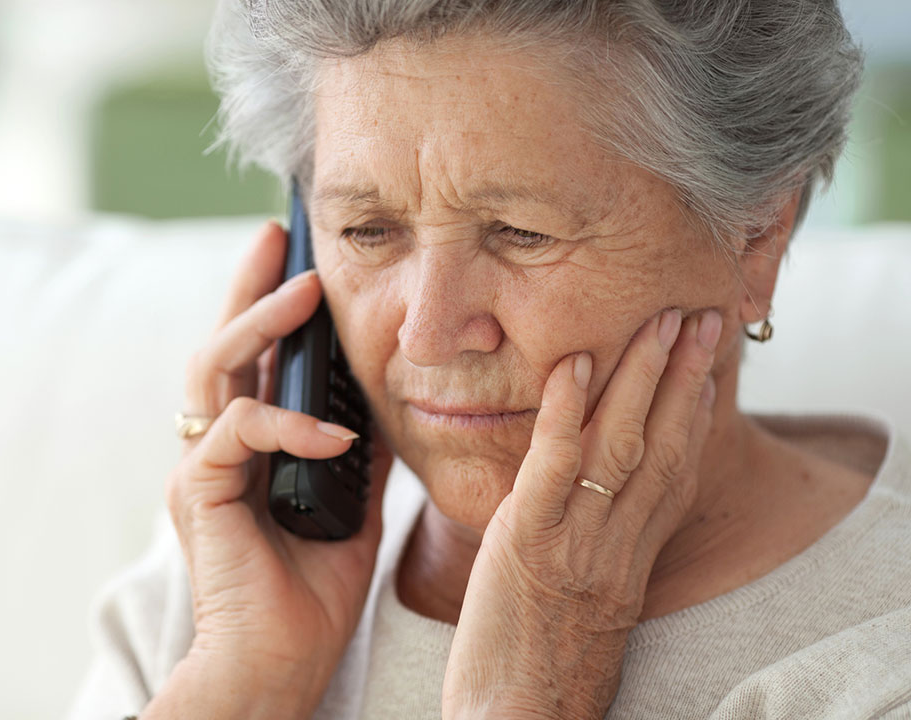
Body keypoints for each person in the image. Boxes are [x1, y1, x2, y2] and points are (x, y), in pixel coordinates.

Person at [67, 1, 911, 718]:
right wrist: (241, 687)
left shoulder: (876, 654)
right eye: (367, 230)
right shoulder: (230, 578)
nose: (427, 335)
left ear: (755, 236)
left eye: (521, 233)